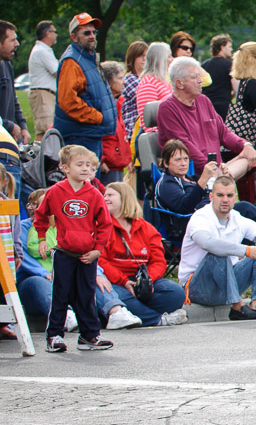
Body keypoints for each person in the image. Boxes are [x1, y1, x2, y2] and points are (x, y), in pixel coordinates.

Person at [155, 139, 256, 277]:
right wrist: (203, 180)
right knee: (244, 210)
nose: (183, 163)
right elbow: (184, 206)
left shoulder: (188, 179)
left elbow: (210, 194)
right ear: (166, 163)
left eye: (185, 159)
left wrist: (220, 177)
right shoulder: (167, 184)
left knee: (245, 210)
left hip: (215, 216)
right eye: (177, 160)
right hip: (190, 225)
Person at [19, 187, 142, 336]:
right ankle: (65, 316)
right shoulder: (24, 228)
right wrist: (44, 273)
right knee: (40, 281)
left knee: (91, 277)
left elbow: (83, 251)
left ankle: (115, 311)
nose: (33, 209)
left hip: (66, 273)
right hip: (35, 282)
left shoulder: (66, 227)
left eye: (37, 204)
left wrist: (98, 273)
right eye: (30, 204)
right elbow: (22, 258)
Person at [32, 145, 114, 352]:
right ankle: (55, 336)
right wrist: (42, 238)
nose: (85, 168)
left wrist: (97, 250)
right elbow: (40, 216)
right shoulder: (55, 192)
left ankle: (89, 335)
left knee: (87, 295)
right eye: (80, 164)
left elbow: (105, 224)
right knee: (61, 294)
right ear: (65, 168)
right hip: (64, 253)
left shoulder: (95, 194)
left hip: (87, 255)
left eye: (88, 164)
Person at [179, 176, 256, 320]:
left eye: (229, 195)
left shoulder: (237, 218)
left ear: (235, 197)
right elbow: (208, 243)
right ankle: (237, 307)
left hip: (227, 285)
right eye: (220, 195)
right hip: (198, 288)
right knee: (218, 253)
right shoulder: (200, 217)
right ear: (211, 196)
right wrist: (246, 250)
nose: (225, 200)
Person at [98, 182, 187, 327]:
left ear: (125, 198)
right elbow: (101, 261)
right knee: (118, 296)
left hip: (142, 278)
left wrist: (148, 280)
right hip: (117, 281)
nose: (105, 198)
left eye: (110, 195)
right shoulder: (102, 226)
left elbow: (159, 261)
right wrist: (124, 281)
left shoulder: (146, 228)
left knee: (176, 293)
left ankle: (135, 314)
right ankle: (157, 319)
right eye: (104, 195)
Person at [157, 57, 256, 180]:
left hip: (218, 170)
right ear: (179, 83)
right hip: (194, 175)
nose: (200, 81)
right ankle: (222, 178)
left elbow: (224, 133)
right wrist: (212, 169)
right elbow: (185, 147)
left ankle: (223, 178)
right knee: (226, 173)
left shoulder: (203, 100)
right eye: (194, 77)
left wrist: (245, 145)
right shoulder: (167, 108)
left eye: (199, 76)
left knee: (248, 156)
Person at [54, 13, 113, 156]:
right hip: (80, 135)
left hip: (90, 133)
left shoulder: (87, 57)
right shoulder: (72, 61)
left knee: (92, 178)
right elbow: (68, 101)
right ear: (74, 37)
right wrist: (98, 117)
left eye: (94, 32)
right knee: (84, 177)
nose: (92, 35)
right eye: (86, 33)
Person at [98, 61, 132, 184]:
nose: (124, 81)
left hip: (117, 163)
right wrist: (100, 161)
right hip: (107, 165)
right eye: (120, 78)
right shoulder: (101, 105)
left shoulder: (116, 103)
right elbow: (95, 133)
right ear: (109, 81)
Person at [27, 20, 59, 139]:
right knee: (47, 130)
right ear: (48, 33)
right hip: (42, 95)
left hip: (44, 94)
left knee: (45, 131)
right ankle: (40, 157)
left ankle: (41, 156)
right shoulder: (42, 51)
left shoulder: (44, 50)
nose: (56, 35)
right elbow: (58, 72)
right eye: (54, 31)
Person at [0, 20, 29, 146]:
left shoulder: (7, 65)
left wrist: (22, 126)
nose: (17, 44)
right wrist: (8, 125)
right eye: (12, 40)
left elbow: (13, 99)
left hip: (7, 140)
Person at [135, 41, 172, 131]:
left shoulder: (163, 80)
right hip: (156, 136)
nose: (172, 59)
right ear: (161, 59)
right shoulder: (149, 83)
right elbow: (147, 120)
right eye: (169, 56)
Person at [202, 33, 235, 118]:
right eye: (229, 46)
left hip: (205, 107)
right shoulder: (230, 65)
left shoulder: (204, 65)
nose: (231, 49)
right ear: (222, 47)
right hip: (224, 106)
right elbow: (236, 88)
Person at [121, 40, 149, 140]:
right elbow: (146, 99)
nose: (144, 59)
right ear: (132, 58)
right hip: (132, 131)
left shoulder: (148, 79)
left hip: (144, 130)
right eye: (140, 55)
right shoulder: (129, 79)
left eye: (146, 55)